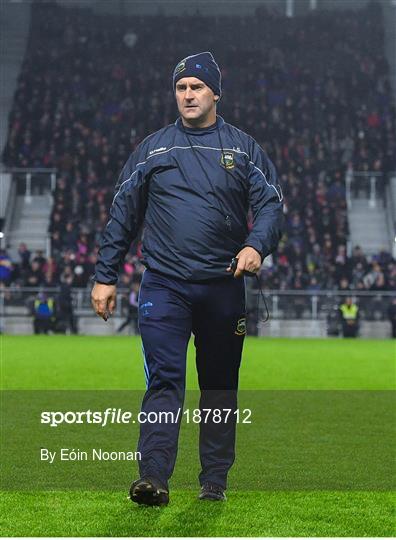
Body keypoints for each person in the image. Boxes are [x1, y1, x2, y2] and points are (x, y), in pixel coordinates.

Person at [91, 52, 284, 506]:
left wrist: (257, 245)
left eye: (197, 87)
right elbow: (123, 212)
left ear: (216, 92)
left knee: (218, 385)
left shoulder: (243, 148)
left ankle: (214, 480)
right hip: (165, 285)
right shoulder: (152, 148)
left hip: (223, 288)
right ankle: (153, 477)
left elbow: (272, 204)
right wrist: (106, 276)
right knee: (164, 381)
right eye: (181, 88)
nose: (188, 94)